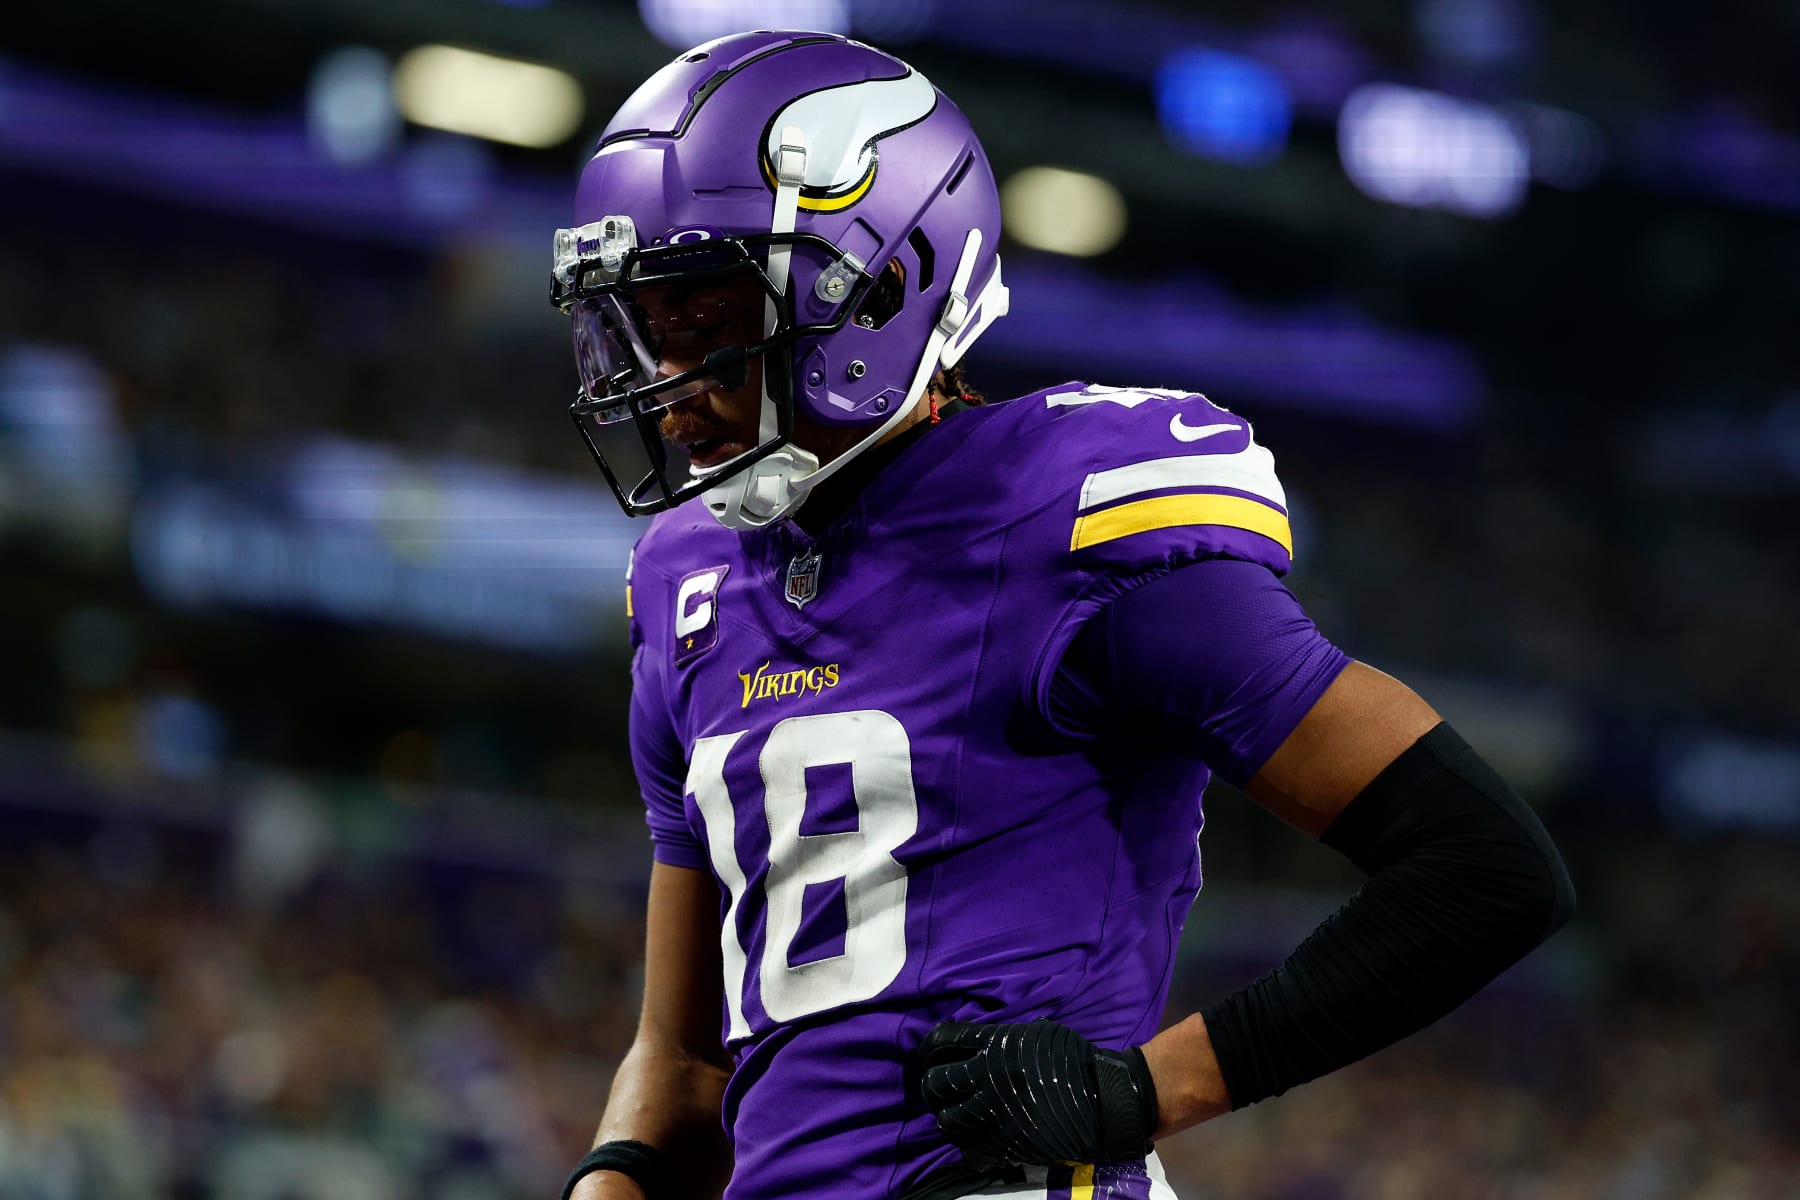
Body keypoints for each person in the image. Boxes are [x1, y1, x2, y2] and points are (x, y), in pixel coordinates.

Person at [548, 30, 1576, 1200]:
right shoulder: (691, 588)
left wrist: (1146, 1091)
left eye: (703, 322)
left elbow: (1486, 865)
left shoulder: (1070, 524)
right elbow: (682, 1063)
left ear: (876, 287)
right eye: (638, 328)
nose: (666, 385)